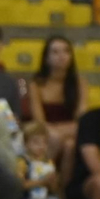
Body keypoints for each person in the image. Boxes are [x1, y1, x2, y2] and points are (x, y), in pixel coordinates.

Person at [29, 36, 78, 178]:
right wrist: (56, 132)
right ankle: (41, 177)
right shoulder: (36, 85)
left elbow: (81, 121)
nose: (61, 56)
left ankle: (62, 189)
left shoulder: (80, 84)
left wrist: (58, 131)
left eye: (66, 51)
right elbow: (39, 121)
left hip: (70, 134)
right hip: (46, 133)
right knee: (55, 138)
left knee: (70, 145)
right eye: (55, 52)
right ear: (46, 58)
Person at [18, 122, 66, 199]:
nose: (41, 146)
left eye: (44, 143)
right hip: (29, 198)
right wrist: (42, 182)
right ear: (26, 144)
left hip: (47, 197)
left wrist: (53, 182)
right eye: (36, 142)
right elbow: (21, 185)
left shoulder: (48, 162)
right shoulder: (23, 162)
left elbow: (54, 189)